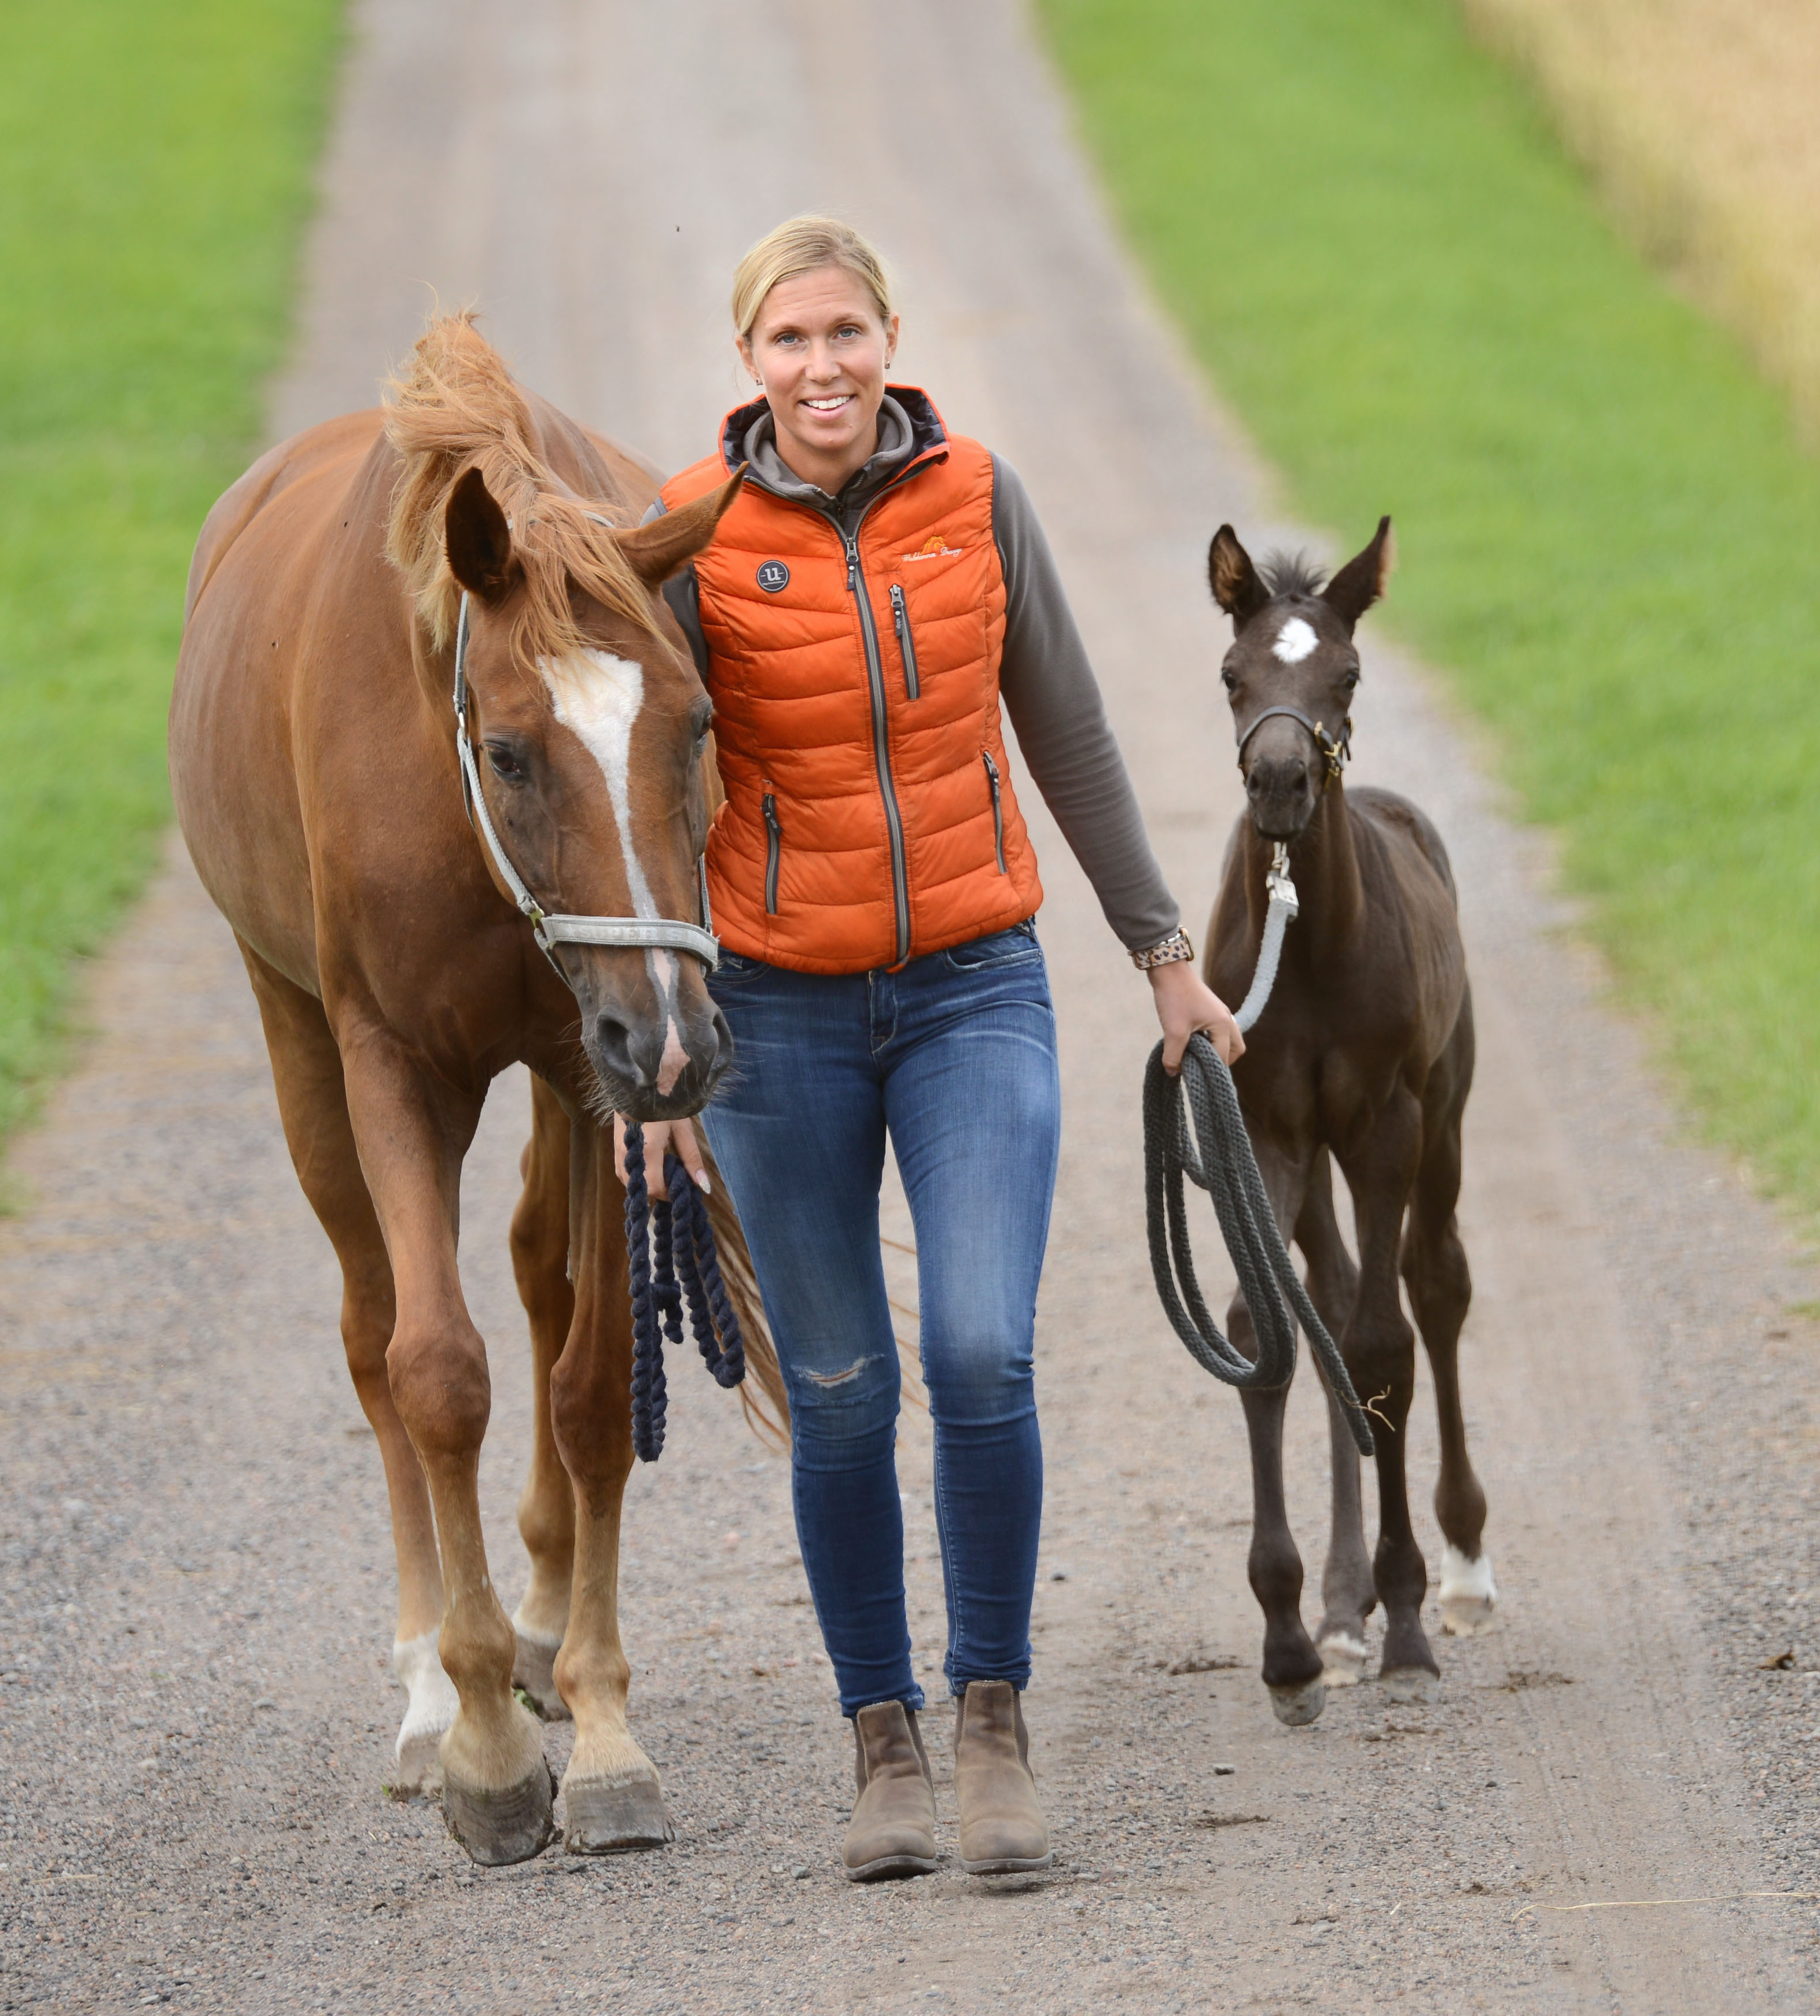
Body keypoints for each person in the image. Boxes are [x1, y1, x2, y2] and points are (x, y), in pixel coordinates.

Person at [624, 215, 1241, 1881]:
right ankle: (880, 1742)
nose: (821, 366)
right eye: (788, 339)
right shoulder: (689, 533)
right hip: (777, 1019)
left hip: (975, 989)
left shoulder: (978, 496)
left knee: (979, 1351)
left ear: (889, 338)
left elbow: (1068, 726)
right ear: (749, 362)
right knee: (838, 1389)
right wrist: (659, 1070)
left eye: (845, 332)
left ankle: (990, 1725)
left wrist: (1165, 957)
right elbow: (642, 800)